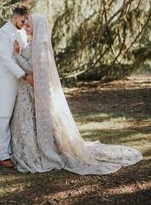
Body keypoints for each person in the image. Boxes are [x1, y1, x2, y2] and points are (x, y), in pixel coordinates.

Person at [10, 13, 143, 174]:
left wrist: (17, 55)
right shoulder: (34, 43)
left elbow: (33, 69)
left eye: (29, 25)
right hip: (28, 90)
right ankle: (31, 149)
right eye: (26, 24)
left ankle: (41, 151)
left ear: (38, 26)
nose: (25, 27)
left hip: (33, 89)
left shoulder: (40, 46)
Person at [0, 4, 34, 168]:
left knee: (15, 118)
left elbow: (20, 55)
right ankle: (4, 155)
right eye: (23, 21)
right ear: (16, 17)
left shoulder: (22, 32)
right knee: (3, 117)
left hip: (19, 83)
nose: (24, 24)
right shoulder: (2, 33)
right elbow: (7, 60)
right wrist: (24, 76)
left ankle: (15, 151)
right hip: (4, 82)